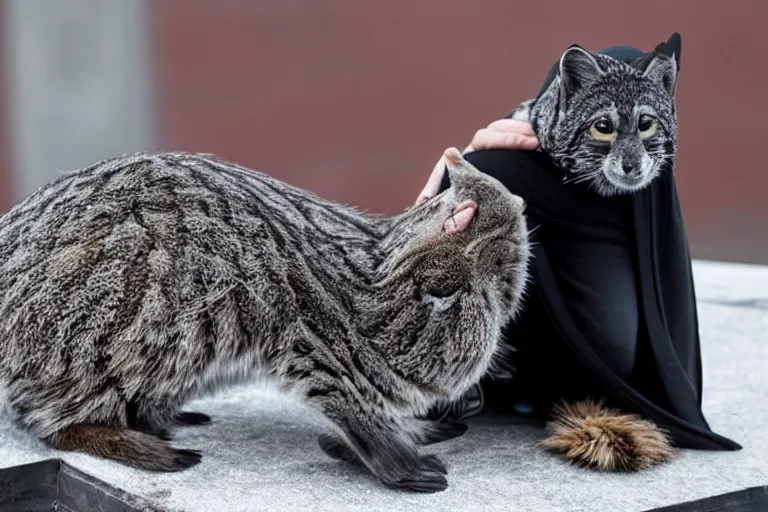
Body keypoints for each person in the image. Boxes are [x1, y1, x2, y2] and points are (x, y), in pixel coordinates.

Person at [416, 40, 741, 454]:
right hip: (496, 369)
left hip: (569, 379)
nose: (630, 157)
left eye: (645, 127)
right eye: (604, 128)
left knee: (615, 347)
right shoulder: (505, 163)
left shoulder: (636, 206)